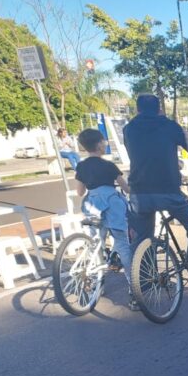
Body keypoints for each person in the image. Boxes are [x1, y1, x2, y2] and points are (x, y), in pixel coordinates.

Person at [123, 93, 188, 283]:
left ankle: (143, 286)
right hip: (168, 190)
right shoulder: (170, 126)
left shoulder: (129, 129)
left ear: (137, 109)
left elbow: (136, 153)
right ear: (160, 109)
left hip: (139, 193)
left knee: (141, 239)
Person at [74, 128, 136, 309]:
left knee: (96, 244)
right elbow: (126, 188)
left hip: (92, 205)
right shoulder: (109, 166)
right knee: (123, 244)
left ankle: (97, 284)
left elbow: (79, 192)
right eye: (104, 142)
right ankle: (134, 289)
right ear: (100, 144)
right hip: (113, 204)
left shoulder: (82, 166)